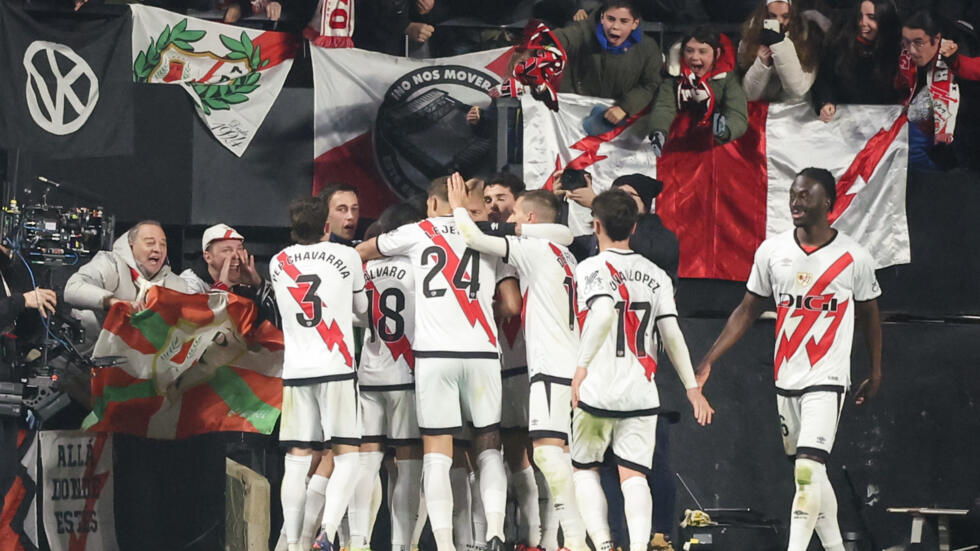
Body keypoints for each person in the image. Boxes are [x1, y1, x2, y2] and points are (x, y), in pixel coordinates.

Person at [696, 167, 883, 551]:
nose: (796, 202)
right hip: (786, 377)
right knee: (812, 476)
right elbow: (747, 310)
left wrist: (876, 370)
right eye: (793, 194)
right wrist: (710, 358)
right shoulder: (773, 251)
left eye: (805, 195)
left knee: (806, 471)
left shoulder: (853, 256)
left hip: (828, 378)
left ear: (827, 202)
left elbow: (870, 317)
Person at [356, 175, 523, 551]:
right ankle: (495, 530)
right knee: (488, 446)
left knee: (436, 453)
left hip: (434, 358)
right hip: (482, 355)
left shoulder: (417, 232)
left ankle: (445, 544)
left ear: (433, 203)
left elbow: (365, 251)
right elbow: (511, 305)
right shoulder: (488, 238)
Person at [447, 179, 589, 551]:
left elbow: (473, 238)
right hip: (564, 364)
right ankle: (560, 539)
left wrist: (458, 208)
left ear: (527, 215)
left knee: (544, 454)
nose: (501, 214)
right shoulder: (563, 251)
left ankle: (564, 539)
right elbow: (565, 232)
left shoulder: (534, 250)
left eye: (508, 208)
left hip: (540, 366)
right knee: (557, 457)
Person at [571, 190, 713, 551]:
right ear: (634, 227)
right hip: (641, 392)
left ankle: (603, 545)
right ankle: (637, 547)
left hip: (598, 389)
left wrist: (581, 368)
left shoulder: (589, 268)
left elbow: (603, 314)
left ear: (596, 224)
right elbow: (672, 333)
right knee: (634, 476)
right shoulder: (656, 275)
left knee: (585, 469)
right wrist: (691, 387)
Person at [269, 197, 368, 551]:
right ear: (326, 226)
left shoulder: (277, 261)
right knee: (348, 453)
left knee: (297, 457)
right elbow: (362, 310)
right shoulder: (348, 257)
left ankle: (293, 543)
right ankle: (327, 533)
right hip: (337, 366)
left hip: (296, 369)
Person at [349, 203, 427, 551]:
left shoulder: (366, 270)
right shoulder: (419, 268)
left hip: (370, 373)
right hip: (406, 374)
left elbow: (359, 316)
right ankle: (400, 545)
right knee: (409, 466)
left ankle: (359, 541)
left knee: (366, 461)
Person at [65, 220, 189, 343]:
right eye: (150, 243)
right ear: (131, 244)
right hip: (84, 355)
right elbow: (72, 289)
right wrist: (114, 303)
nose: (158, 249)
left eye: (163, 244)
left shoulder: (177, 285)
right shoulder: (110, 264)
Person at [552, 0, 663, 125]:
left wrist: (625, 107)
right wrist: (540, 43)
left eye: (624, 21)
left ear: (635, 23)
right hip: (575, 117)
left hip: (621, 123)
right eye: (610, 19)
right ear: (602, 17)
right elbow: (561, 38)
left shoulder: (648, 48)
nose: (615, 26)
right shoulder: (584, 31)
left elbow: (650, 84)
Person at [897, 10, 980, 170]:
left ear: (936, 40)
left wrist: (955, 61)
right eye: (906, 42)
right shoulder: (905, 57)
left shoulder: (959, 51)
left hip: (965, 140)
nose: (911, 50)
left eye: (918, 43)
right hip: (927, 143)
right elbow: (900, 87)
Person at [647, 25, 748, 156]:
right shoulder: (675, 76)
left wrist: (726, 130)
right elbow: (664, 105)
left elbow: (736, 111)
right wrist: (658, 131)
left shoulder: (727, 78)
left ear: (716, 54)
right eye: (689, 51)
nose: (694, 57)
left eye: (702, 52)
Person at [811, 0, 904, 122]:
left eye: (871, 17)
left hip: (886, 123)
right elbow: (824, 79)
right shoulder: (841, 44)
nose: (863, 23)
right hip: (845, 121)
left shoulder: (899, 52)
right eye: (860, 16)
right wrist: (825, 102)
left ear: (885, 19)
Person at [180, 223, 279, 325]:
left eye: (240, 249)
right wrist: (222, 287)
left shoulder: (243, 282)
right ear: (208, 257)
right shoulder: (188, 282)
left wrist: (258, 283)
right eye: (227, 250)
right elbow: (196, 328)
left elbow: (279, 316)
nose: (236, 255)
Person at [738, 0, 822, 103]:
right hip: (762, 112)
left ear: (793, 16)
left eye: (785, 16)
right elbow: (748, 95)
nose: (779, 21)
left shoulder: (806, 39)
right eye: (772, 16)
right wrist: (762, 63)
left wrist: (780, 45)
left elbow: (798, 90)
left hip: (795, 112)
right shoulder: (750, 39)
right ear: (764, 15)